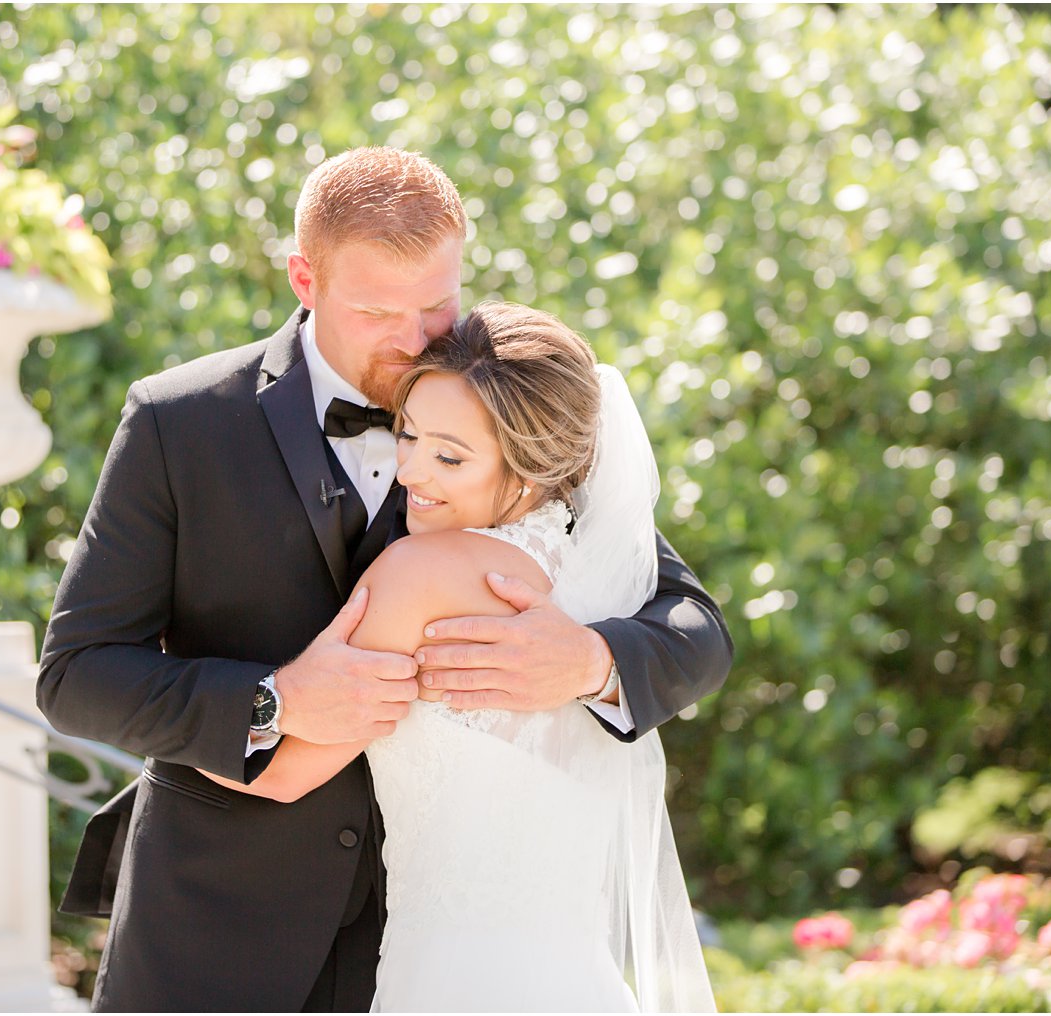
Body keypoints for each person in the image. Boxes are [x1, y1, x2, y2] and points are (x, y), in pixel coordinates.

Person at [37, 147, 731, 1012]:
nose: (413, 340)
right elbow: (76, 675)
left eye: (437, 304)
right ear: (304, 278)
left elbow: (695, 627)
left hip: (439, 951)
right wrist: (272, 702)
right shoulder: (180, 424)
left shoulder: (520, 419)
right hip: (218, 938)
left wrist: (590, 663)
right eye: (375, 311)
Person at [201, 302, 715, 1011]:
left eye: (450, 456)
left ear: (531, 470)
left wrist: (179, 682)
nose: (411, 469)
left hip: (455, 982)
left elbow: (282, 773)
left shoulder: (420, 574)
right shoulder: (606, 577)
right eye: (406, 435)